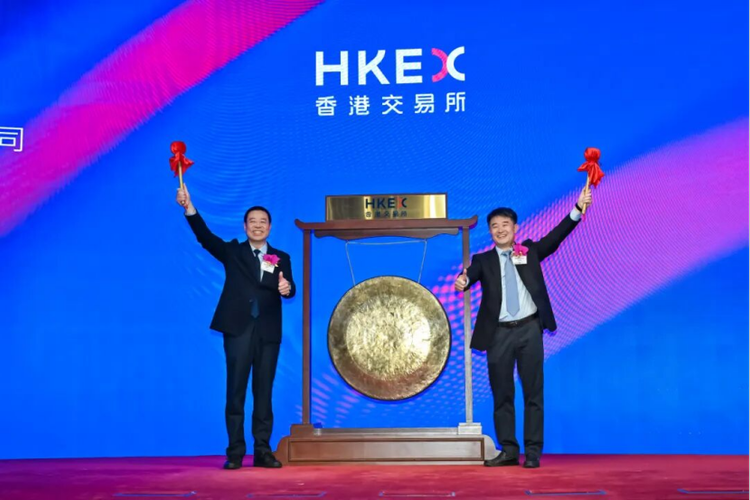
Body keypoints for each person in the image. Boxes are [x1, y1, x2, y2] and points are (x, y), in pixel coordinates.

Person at [455, 188, 592, 469]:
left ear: (515, 228)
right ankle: (508, 450)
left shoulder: (528, 251)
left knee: (533, 393)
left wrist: (577, 209)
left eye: (505, 224)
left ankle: (532, 452)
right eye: (495, 226)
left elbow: (555, 238)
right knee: (502, 394)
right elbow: (469, 276)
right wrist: (462, 281)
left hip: (529, 330)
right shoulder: (483, 260)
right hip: (498, 334)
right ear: (490, 232)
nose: (500, 230)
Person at [176, 185, 295, 470]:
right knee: (236, 391)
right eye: (252, 221)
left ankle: (263, 451)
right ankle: (235, 452)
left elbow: (289, 288)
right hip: (238, 329)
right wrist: (189, 208)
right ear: (245, 226)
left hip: (268, 332)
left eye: (263, 221)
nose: (258, 225)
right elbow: (205, 238)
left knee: (264, 393)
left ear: (270, 227)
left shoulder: (280, 257)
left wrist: (287, 288)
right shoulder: (232, 251)